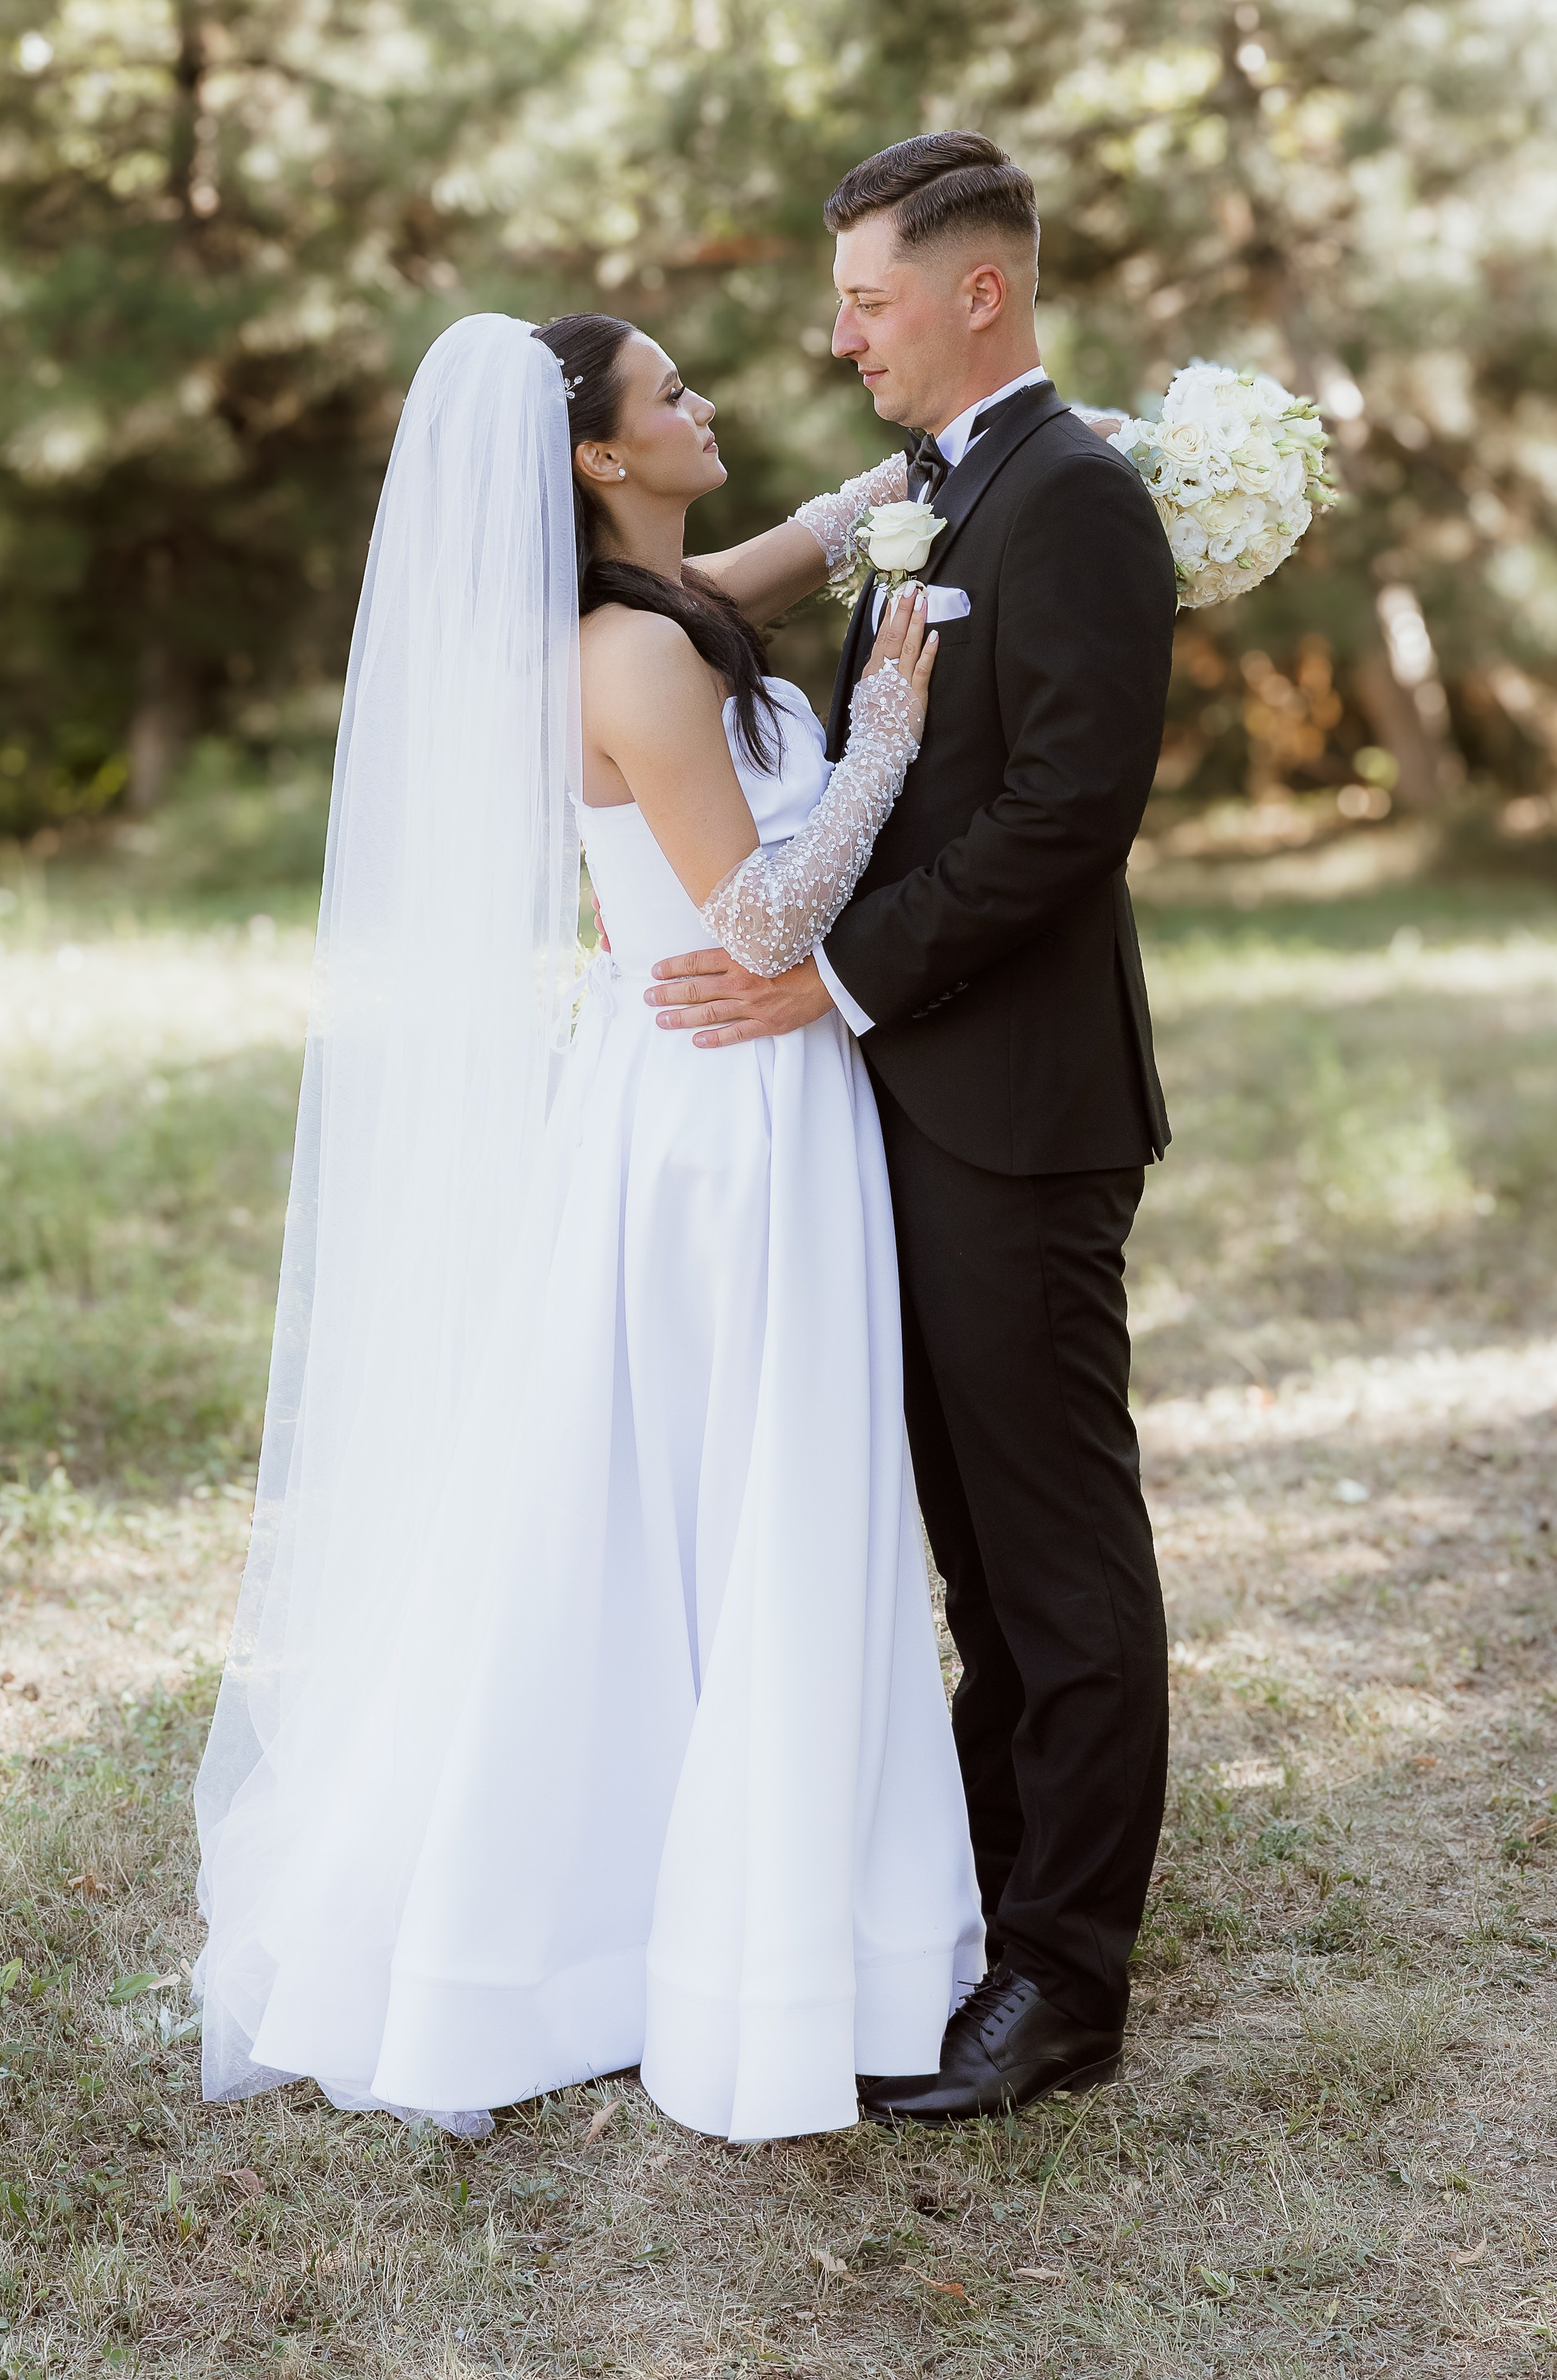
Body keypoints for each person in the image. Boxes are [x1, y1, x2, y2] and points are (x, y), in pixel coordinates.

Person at [192, 305, 989, 2145]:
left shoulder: (664, 602)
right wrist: (881, 727)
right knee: (748, 1491)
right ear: (600, 459)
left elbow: (815, 531)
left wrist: (969, 446)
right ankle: (725, 1935)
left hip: (711, 1099)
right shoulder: (629, 660)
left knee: (705, 1496)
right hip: (727, 1117)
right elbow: (768, 921)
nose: (708, 404)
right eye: (674, 394)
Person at [644, 132, 1178, 2123]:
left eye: (866, 294)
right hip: (910, 1092)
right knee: (962, 1527)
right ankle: (981, 1900)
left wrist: (837, 975)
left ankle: (1068, 1978)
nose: (837, 328)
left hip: (1022, 1103)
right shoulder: (948, 490)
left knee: (1052, 1545)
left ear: (981, 292)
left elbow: (1066, 813)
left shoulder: (1081, 498)